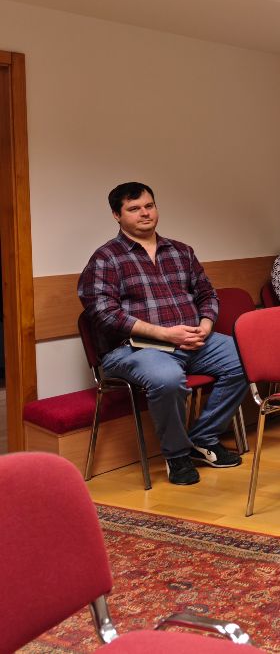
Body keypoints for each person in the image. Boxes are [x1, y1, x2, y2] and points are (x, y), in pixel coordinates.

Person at [78, 182, 247, 486]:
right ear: (117, 215)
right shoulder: (106, 258)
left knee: (246, 358)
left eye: (149, 206)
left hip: (193, 340)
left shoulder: (181, 251)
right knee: (167, 378)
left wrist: (205, 325)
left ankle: (203, 438)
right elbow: (104, 314)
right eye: (134, 209)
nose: (145, 213)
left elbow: (207, 294)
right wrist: (166, 335)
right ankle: (177, 454)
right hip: (135, 349)